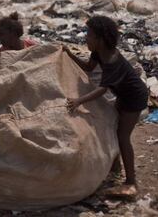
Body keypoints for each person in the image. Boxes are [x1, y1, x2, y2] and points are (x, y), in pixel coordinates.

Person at [63, 15, 148, 197]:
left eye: (90, 35)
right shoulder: (98, 52)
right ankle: (115, 168)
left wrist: (79, 100)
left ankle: (131, 182)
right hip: (123, 95)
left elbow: (103, 89)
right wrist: (70, 55)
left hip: (134, 98)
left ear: (101, 39)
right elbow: (88, 68)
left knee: (122, 136)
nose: (86, 37)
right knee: (111, 126)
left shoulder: (112, 60)